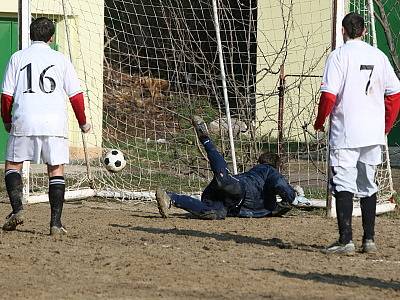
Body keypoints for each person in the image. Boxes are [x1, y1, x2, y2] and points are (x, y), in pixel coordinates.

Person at [314, 13, 400, 255]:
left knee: (343, 182)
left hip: (345, 133)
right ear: (364, 31)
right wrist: (385, 126)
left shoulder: (338, 56)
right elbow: (395, 95)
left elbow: (329, 95)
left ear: (343, 31)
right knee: (368, 183)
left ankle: (345, 240)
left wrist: (320, 121)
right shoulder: (379, 56)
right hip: (372, 134)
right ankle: (369, 240)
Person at [0, 17, 91, 235]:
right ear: (51, 37)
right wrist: (83, 122)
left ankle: (18, 209)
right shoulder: (61, 59)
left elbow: (6, 95)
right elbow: (76, 96)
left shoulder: (17, 57)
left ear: (31, 34)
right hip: (55, 123)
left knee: (13, 165)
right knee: (55, 170)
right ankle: (55, 224)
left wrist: (6, 119)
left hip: (24, 119)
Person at [156, 115, 310, 220]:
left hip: (226, 201)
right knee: (223, 179)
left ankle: (171, 198)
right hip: (237, 188)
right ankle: (206, 140)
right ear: (276, 166)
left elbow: (274, 209)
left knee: (215, 214)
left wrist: (286, 204)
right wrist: (293, 197)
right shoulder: (268, 170)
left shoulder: (267, 203)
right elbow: (280, 184)